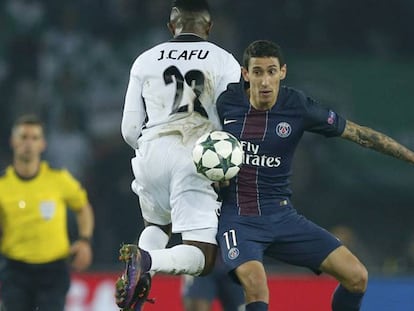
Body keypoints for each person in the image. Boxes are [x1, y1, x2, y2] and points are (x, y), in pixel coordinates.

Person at [215, 40, 414, 311]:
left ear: (282, 72)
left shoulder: (297, 105)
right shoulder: (226, 103)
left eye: (271, 71)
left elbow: (359, 135)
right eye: (258, 72)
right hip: (239, 219)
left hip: (282, 217)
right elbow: (201, 144)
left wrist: (410, 156)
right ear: (245, 74)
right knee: (257, 288)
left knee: (357, 277)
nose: (264, 80)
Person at [115, 0, 241, 310]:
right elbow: (233, 120)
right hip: (197, 156)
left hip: (151, 154)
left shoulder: (144, 61)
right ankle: (147, 261)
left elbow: (130, 128)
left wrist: (151, 149)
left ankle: (137, 278)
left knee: (157, 226)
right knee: (204, 257)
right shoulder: (225, 61)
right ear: (209, 27)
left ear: (172, 27)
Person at [0, 114, 95, 311]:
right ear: (13, 141)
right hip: (16, 269)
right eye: (23, 137)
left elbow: (83, 207)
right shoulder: (3, 185)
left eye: (34, 138)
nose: (28, 143)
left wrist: (84, 240)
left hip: (53, 269)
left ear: (42, 144)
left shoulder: (58, 179)